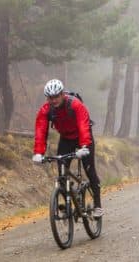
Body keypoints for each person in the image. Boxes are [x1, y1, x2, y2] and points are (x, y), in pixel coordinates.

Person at [32, 79, 103, 217]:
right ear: (47, 98)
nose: (54, 100)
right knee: (62, 174)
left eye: (56, 96)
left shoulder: (75, 105)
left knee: (90, 170)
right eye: (50, 98)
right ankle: (69, 204)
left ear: (62, 94)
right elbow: (40, 131)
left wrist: (84, 147)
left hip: (83, 138)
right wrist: (38, 153)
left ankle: (98, 205)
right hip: (66, 139)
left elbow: (84, 126)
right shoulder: (45, 111)